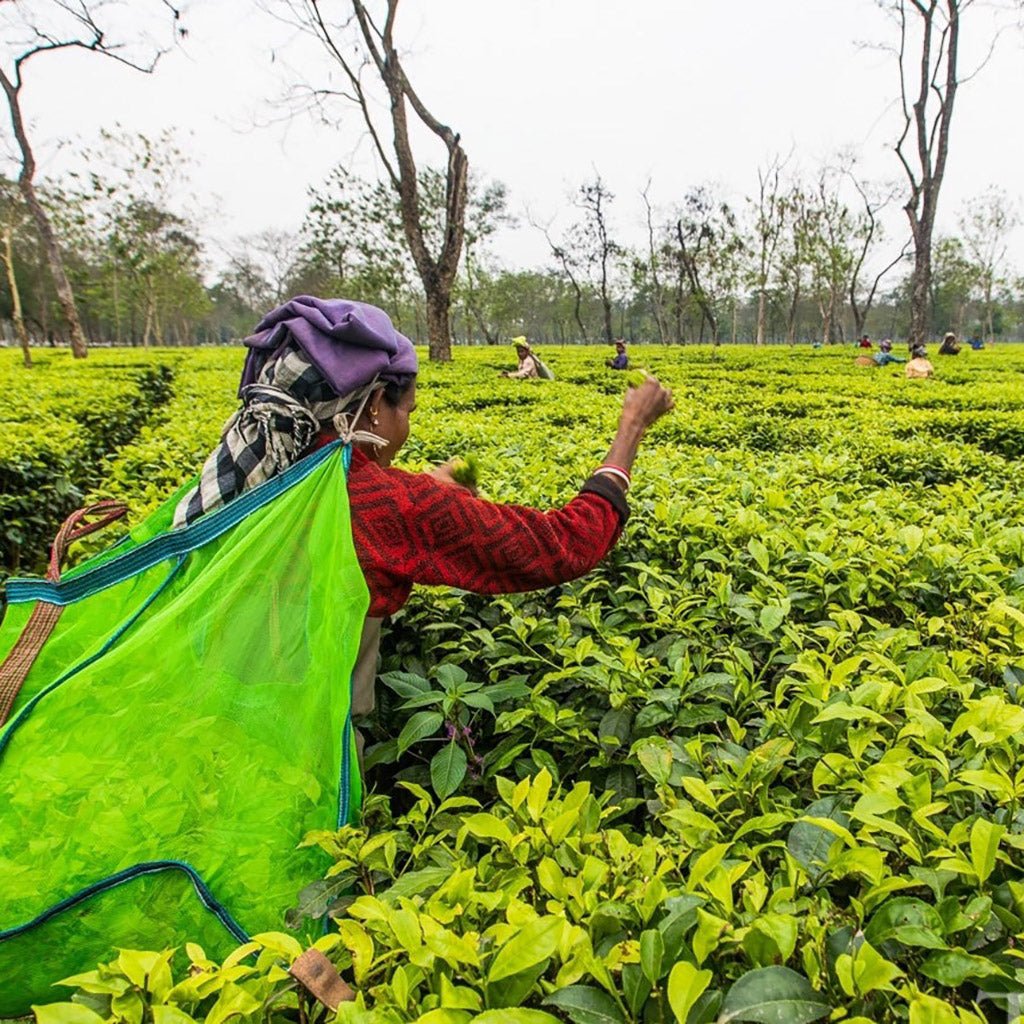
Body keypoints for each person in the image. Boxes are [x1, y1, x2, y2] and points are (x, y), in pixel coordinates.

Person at [179, 296, 674, 755]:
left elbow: (353, 490)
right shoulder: (386, 507)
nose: (407, 427)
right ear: (374, 405)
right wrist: (631, 429)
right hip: (305, 754)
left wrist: (424, 487)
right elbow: (561, 544)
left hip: (208, 726)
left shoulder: (256, 465)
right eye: (408, 410)